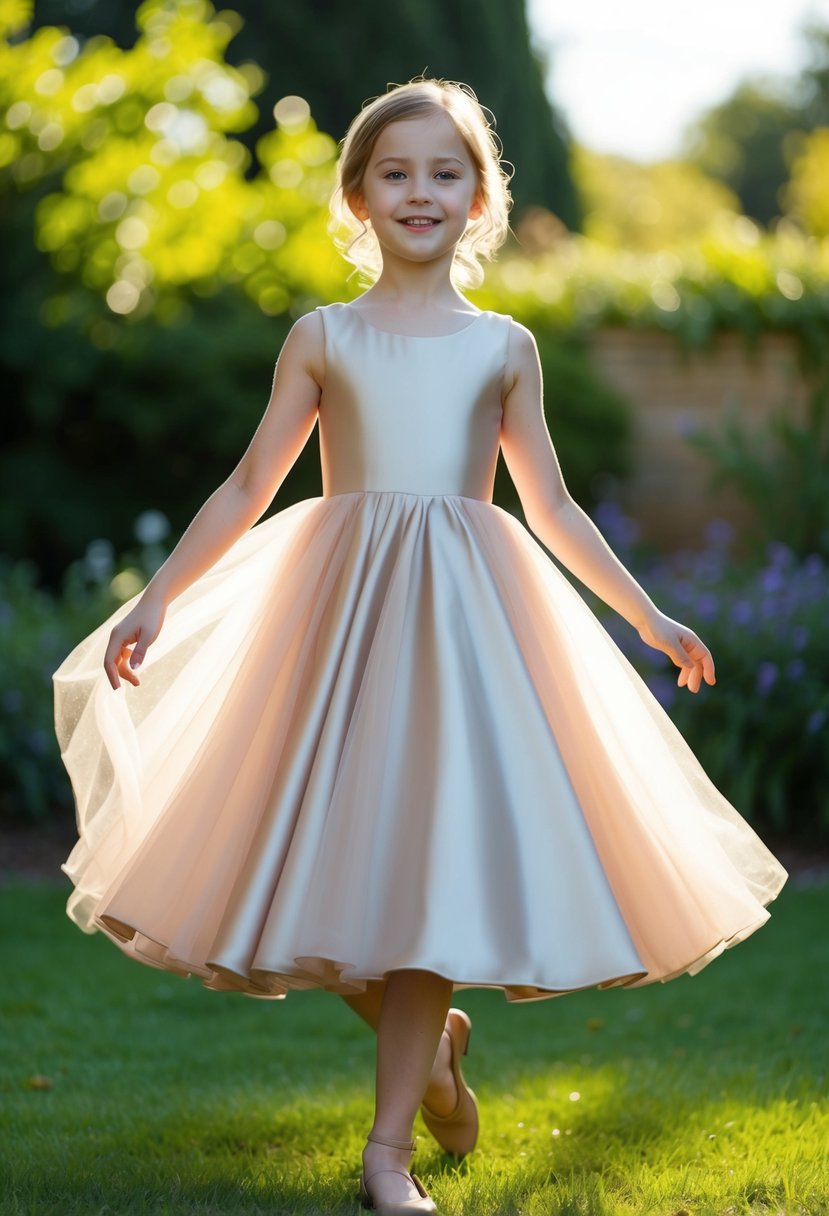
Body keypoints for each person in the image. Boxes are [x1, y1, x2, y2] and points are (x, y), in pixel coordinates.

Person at [53, 77, 788, 1216]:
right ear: (356, 197)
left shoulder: (502, 346)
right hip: (334, 628)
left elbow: (549, 506)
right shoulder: (325, 335)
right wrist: (156, 596)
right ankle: (435, 1045)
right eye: (394, 172)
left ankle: (387, 1152)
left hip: (460, 634)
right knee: (310, 863)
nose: (419, 191)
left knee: (426, 869)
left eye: (445, 172)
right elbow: (252, 481)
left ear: (479, 198)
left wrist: (646, 615)